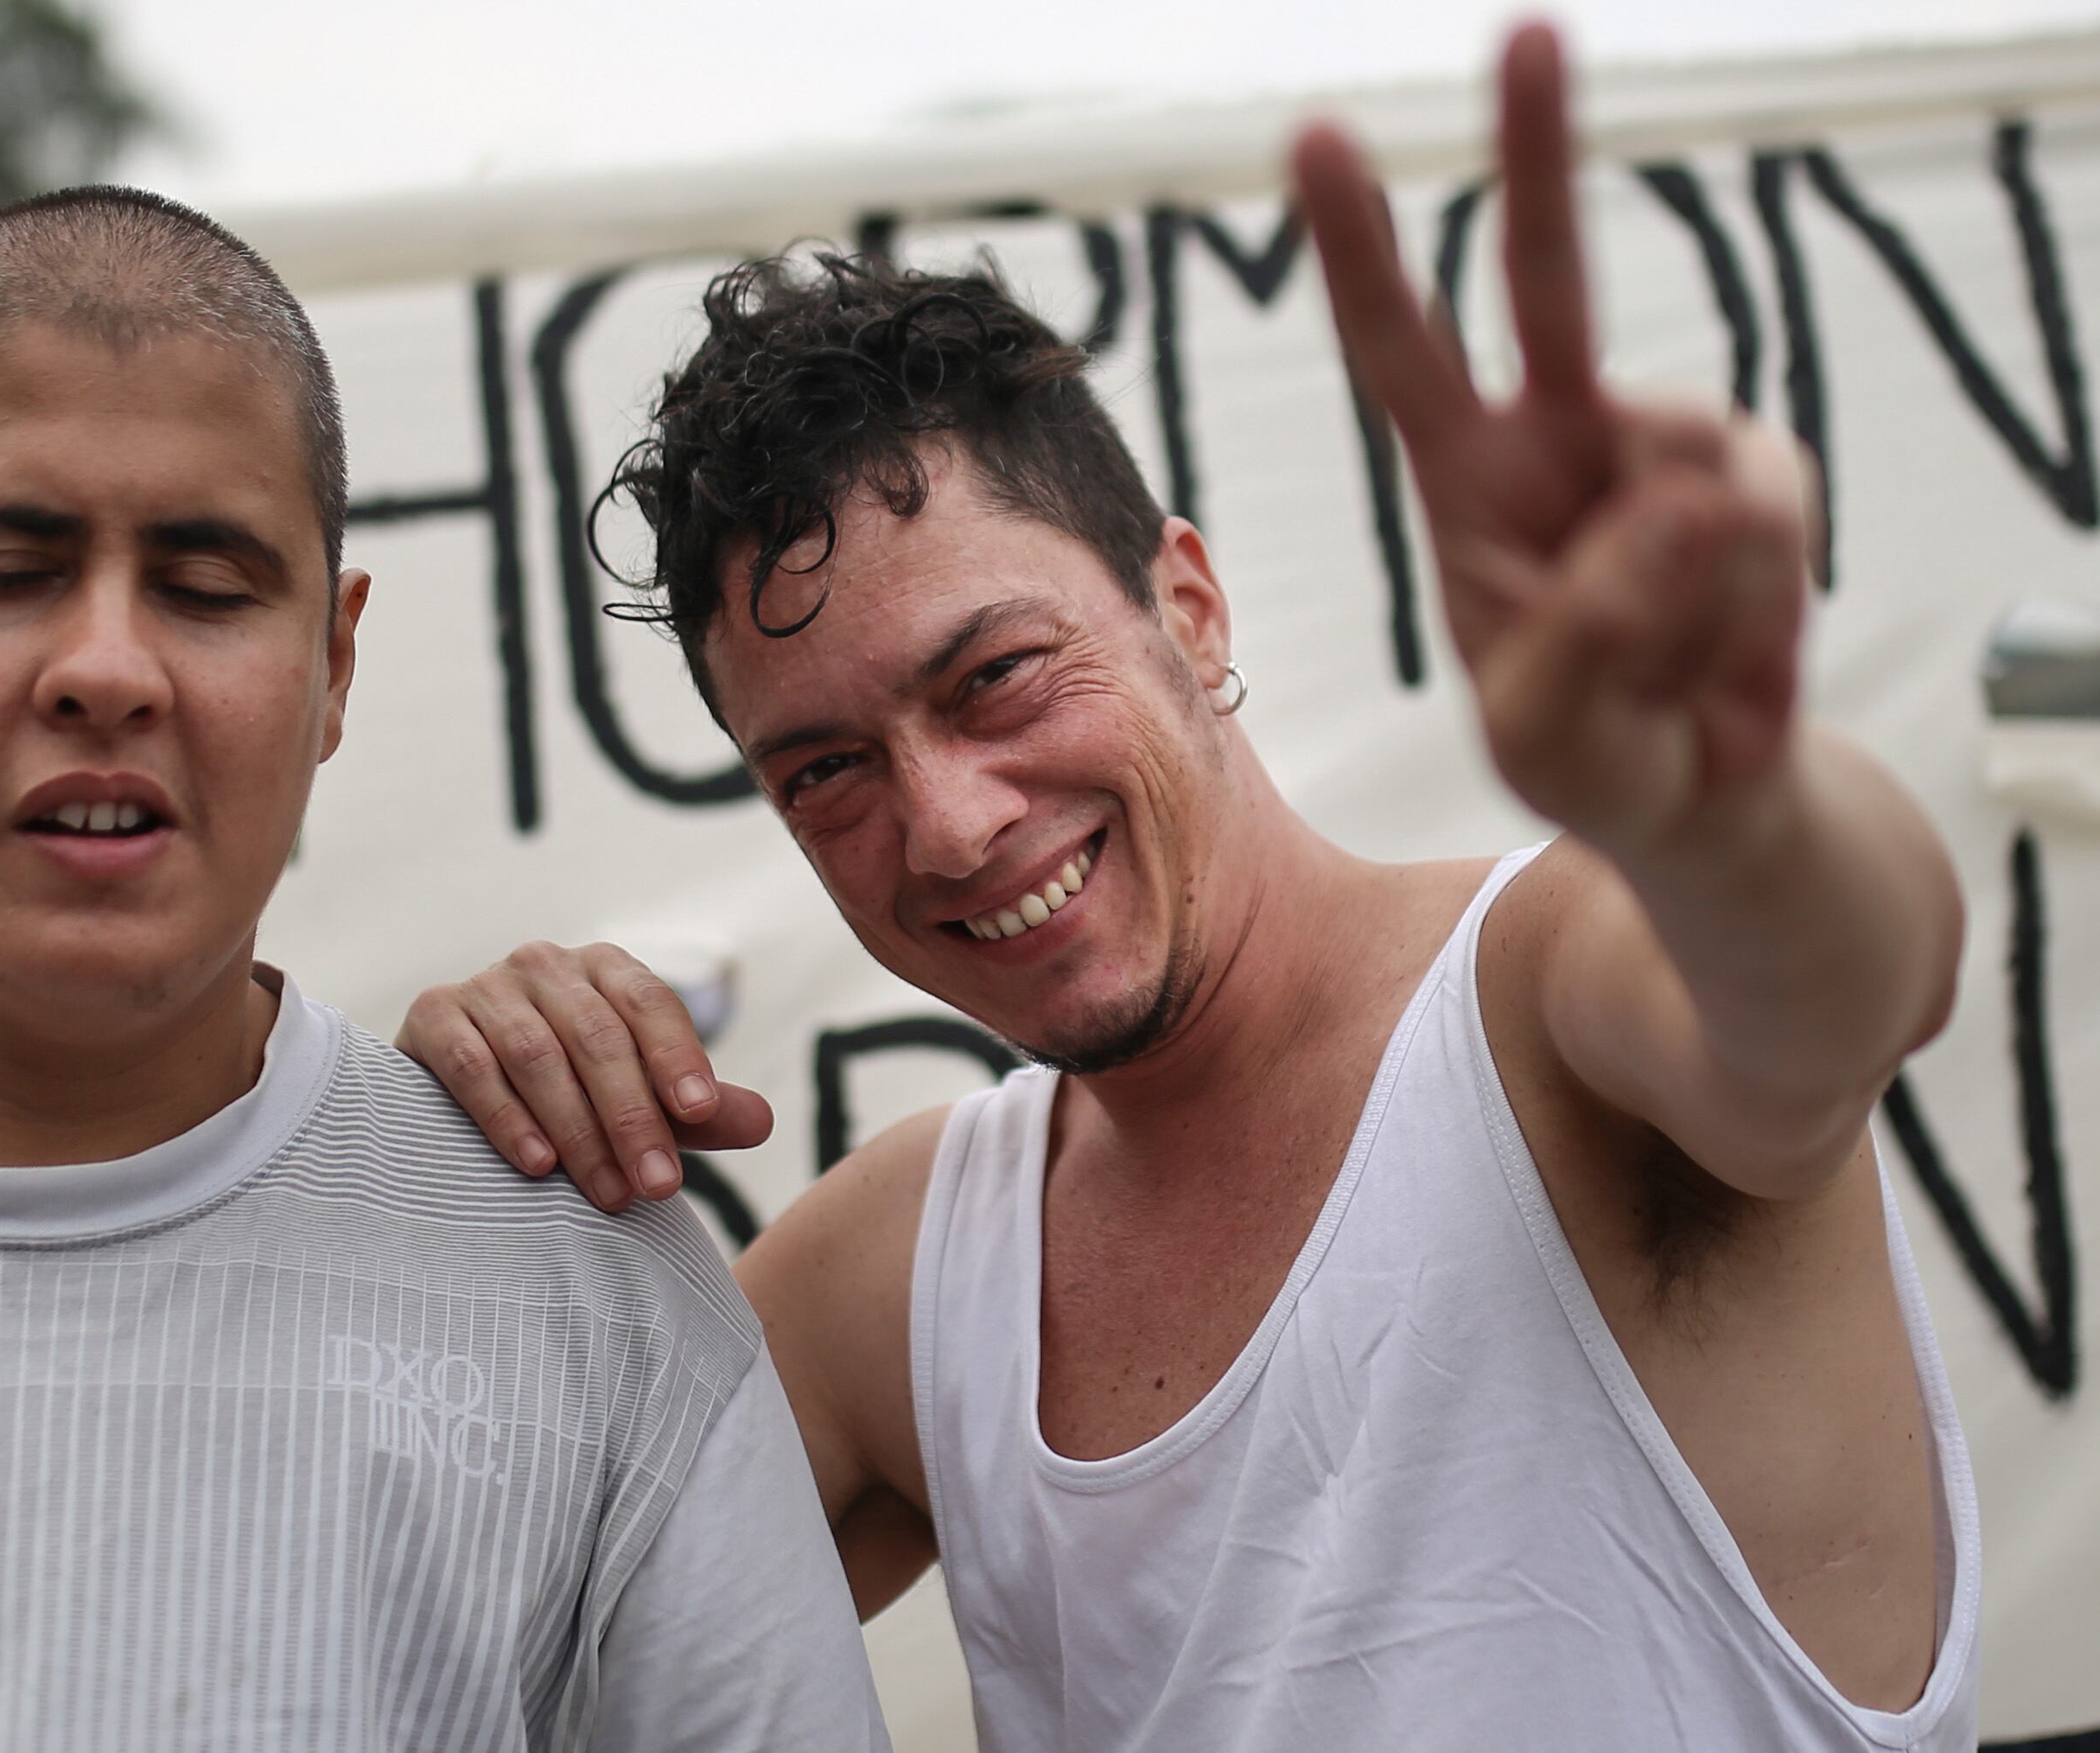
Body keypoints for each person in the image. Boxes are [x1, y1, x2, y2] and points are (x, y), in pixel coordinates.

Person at [397, 25, 1980, 1750]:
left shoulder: (1550, 1003)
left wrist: (1729, 814)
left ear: (1190, 609)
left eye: (995, 677)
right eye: (826, 772)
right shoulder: (909, 1264)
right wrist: (433, 1153)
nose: (947, 826)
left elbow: (1838, 992)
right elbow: (437, 1642)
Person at [0, 186, 886, 1752]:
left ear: (331, 665)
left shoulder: (594, 1301)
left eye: (206, 591)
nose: (105, 671)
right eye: (4, 570)